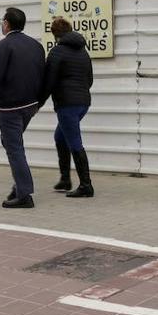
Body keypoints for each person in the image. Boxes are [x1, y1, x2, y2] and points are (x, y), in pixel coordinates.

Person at [0, 7, 46, 209]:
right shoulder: (36, 46)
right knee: (10, 142)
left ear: (6, 23)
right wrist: (39, 102)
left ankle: (25, 194)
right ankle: (20, 184)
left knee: (14, 148)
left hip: (11, 108)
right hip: (31, 105)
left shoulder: (3, 46)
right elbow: (43, 75)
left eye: (2, 21)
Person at [42, 16, 95, 198]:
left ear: (55, 34)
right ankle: (65, 179)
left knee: (74, 142)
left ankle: (86, 185)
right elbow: (90, 79)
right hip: (83, 103)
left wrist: (38, 102)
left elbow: (48, 82)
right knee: (60, 136)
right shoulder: (83, 52)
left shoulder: (57, 52)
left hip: (67, 104)